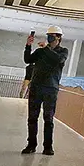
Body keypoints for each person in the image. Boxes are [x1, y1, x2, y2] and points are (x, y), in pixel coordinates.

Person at [21, 26, 68, 156]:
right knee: (32, 118)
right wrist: (28, 46)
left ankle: (48, 147)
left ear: (58, 37)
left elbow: (58, 60)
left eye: (52, 35)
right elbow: (28, 60)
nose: (49, 37)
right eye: (49, 35)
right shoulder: (41, 51)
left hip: (51, 89)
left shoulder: (63, 51)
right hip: (36, 87)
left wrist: (46, 48)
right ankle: (31, 145)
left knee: (48, 119)